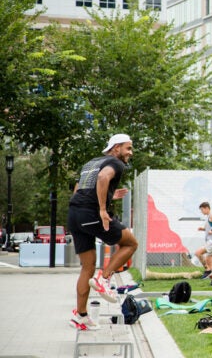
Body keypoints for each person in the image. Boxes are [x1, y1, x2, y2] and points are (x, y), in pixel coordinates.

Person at [67, 134, 139, 330]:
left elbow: (79, 189)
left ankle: (80, 316)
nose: (130, 153)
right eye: (128, 148)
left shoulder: (91, 162)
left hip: (74, 214)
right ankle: (104, 278)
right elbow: (103, 177)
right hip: (92, 214)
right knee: (131, 243)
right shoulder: (116, 163)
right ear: (116, 148)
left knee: (87, 267)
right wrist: (101, 209)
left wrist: (108, 195)